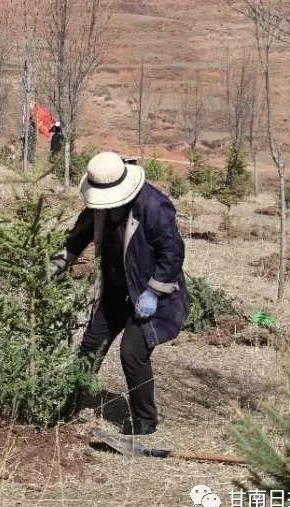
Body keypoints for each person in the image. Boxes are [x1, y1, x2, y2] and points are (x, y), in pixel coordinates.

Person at [50, 151, 188, 436]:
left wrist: (153, 291)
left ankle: (145, 423)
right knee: (91, 346)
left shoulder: (154, 206)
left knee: (132, 353)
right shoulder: (98, 207)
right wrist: (57, 264)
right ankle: (68, 407)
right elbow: (78, 237)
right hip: (115, 290)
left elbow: (173, 254)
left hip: (150, 296)